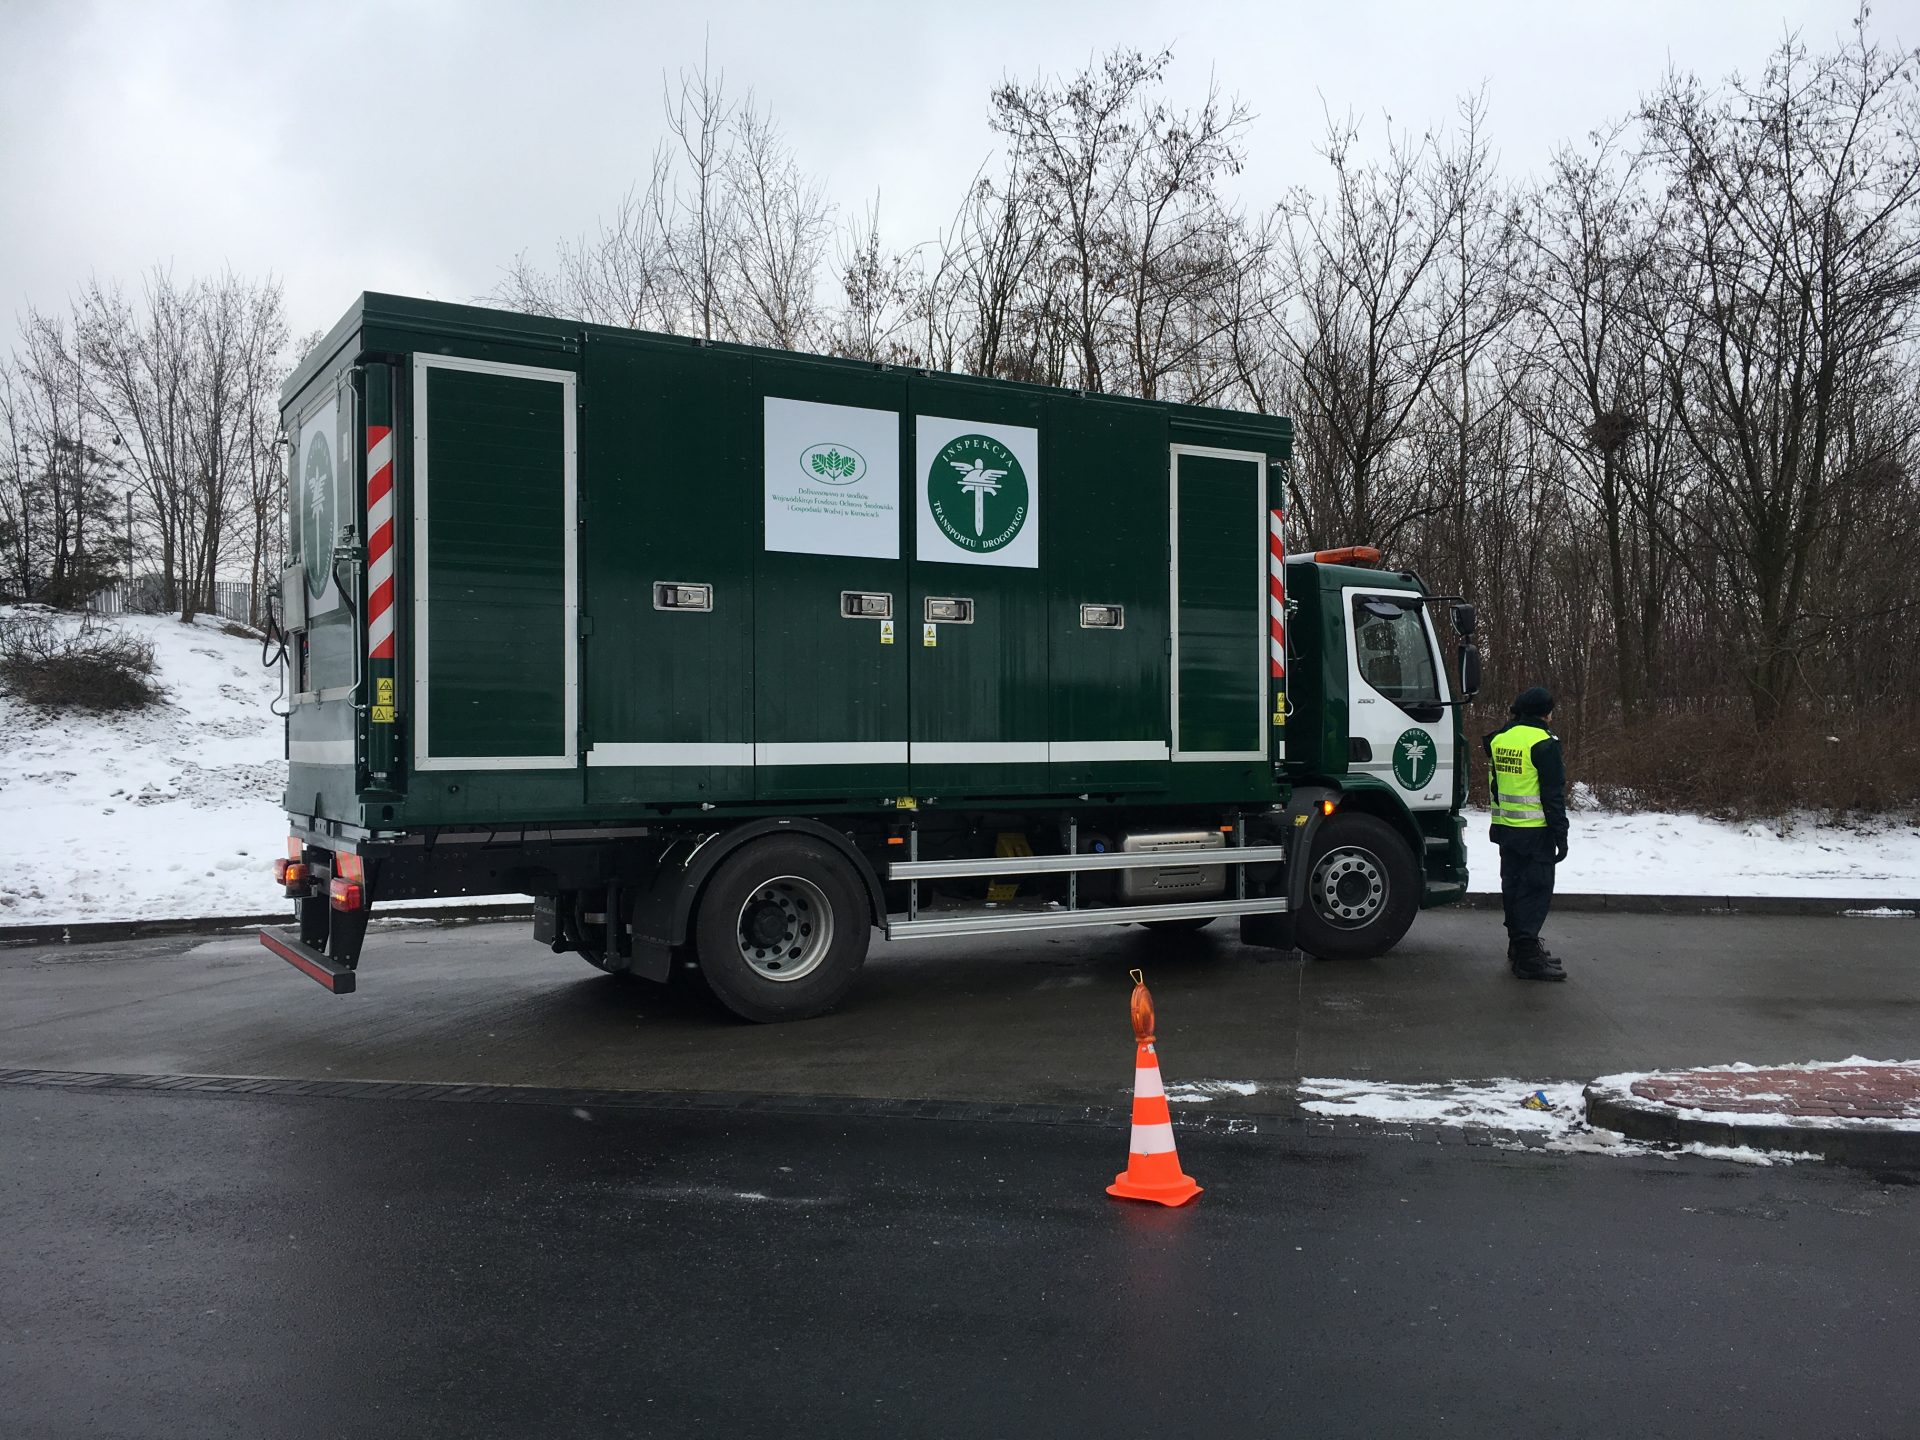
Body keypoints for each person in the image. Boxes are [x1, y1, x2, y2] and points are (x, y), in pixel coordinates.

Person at [1485, 687, 1569, 981]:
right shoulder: (1543, 742)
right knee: (1535, 891)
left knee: (1513, 887)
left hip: (1506, 827)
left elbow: (1496, 783)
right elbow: (1552, 794)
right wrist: (1561, 834)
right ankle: (1529, 959)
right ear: (1546, 713)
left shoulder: (1500, 738)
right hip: (1535, 832)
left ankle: (1519, 948)